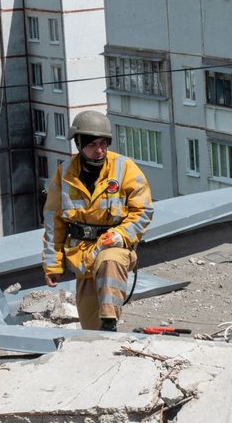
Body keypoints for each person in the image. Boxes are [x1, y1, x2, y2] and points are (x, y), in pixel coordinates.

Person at [41, 110, 154, 331]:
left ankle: (110, 320)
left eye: (103, 143)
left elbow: (144, 210)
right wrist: (52, 264)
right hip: (82, 257)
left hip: (115, 248)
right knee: (91, 329)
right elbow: (53, 222)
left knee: (109, 260)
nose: (99, 150)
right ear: (79, 144)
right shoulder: (64, 175)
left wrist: (121, 235)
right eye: (92, 145)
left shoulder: (124, 168)